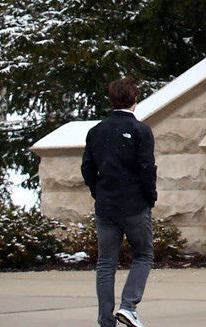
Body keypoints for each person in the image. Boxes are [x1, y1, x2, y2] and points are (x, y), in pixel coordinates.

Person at [83, 77, 155, 327]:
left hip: (106, 204)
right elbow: (146, 168)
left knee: (106, 263)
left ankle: (105, 319)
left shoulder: (96, 131)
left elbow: (87, 168)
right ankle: (128, 306)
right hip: (134, 203)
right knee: (144, 255)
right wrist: (150, 196)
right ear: (135, 99)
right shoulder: (140, 130)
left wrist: (98, 190)